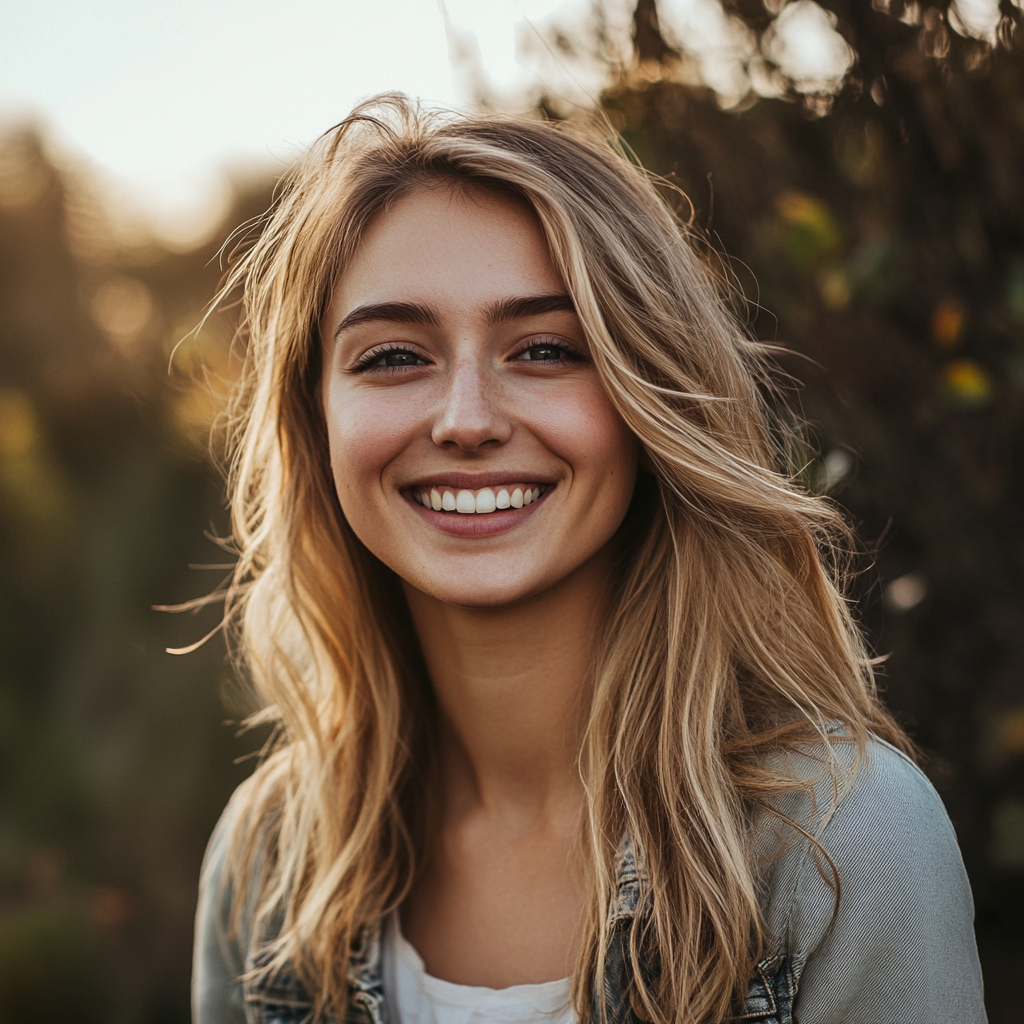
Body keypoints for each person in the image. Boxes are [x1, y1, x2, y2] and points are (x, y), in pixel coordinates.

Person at [191, 95, 986, 1024]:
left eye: (544, 348)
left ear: (652, 397)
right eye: (394, 356)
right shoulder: (268, 860)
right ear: (315, 419)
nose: (468, 419)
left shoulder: (845, 844)